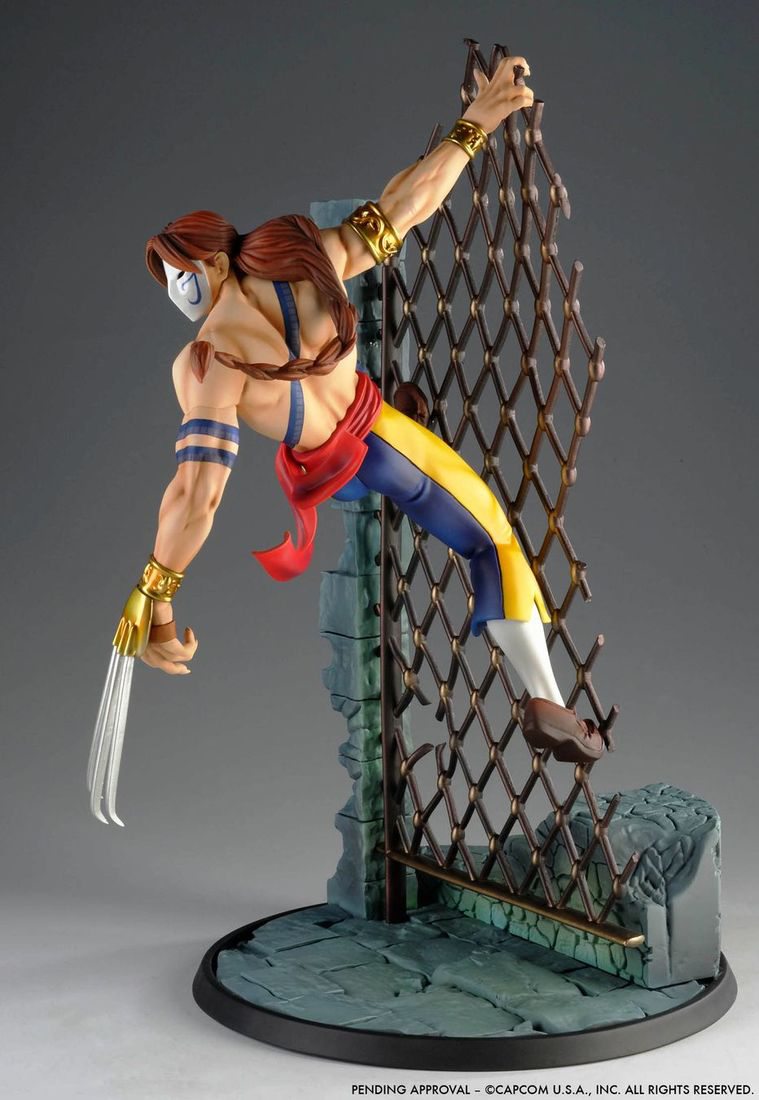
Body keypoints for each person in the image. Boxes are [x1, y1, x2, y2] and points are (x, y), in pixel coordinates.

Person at [117, 55, 604, 767]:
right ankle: (546, 698)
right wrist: (476, 124)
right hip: (370, 443)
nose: (176, 294)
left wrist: (156, 590)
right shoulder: (298, 267)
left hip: (334, 460)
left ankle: (543, 708)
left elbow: (198, 494)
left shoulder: (207, 362)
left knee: (429, 491)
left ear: (212, 260)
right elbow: (408, 203)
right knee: (493, 539)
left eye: (178, 275)